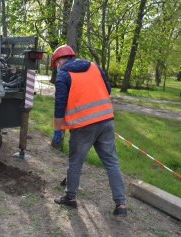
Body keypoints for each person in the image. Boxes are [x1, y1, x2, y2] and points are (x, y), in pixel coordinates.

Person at [51, 44, 127, 216]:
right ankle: (121, 205)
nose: (57, 67)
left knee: (75, 162)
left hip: (83, 126)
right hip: (106, 121)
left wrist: (57, 130)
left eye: (56, 63)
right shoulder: (93, 66)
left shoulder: (64, 74)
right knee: (112, 163)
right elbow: (107, 89)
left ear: (61, 60)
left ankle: (70, 198)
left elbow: (59, 105)